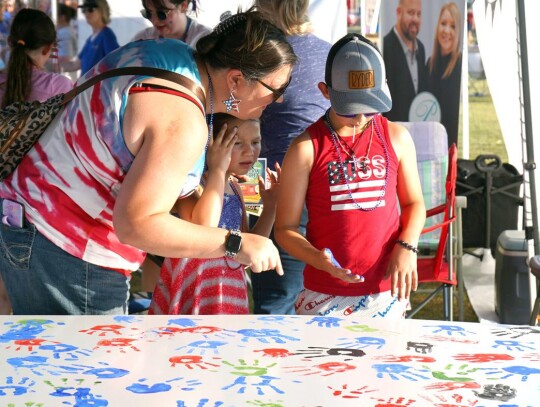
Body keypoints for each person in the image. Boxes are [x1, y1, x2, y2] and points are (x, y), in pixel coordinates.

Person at [0, 8, 296, 315]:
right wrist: (236, 243)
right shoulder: (182, 118)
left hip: (27, 219)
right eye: (277, 90)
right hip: (69, 249)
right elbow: (136, 224)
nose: (279, 100)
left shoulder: (170, 53)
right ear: (236, 79)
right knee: (97, 362)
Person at [274, 33, 426, 318]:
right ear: (325, 91)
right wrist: (316, 259)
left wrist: (408, 245)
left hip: (384, 291)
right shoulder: (305, 148)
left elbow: (414, 204)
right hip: (324, 295)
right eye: (350, 110)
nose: (359, 118)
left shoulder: (396, 137)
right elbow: (285, 229)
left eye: (369, 108)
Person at [150, 113, 280, 315]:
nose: (249, 151)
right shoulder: (192, 185)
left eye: (256, 142)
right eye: (236, 143)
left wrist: (270, 208)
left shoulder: (236, 188)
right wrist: (218, 170)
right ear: (213, 145)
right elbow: (204, 228)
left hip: (226, 290)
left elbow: (246, 251)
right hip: (195, 287)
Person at [251, 0, 331, 315]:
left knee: (276, 303)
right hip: (323, 186)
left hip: (271, 184)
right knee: (321, 298)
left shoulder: (263, 55)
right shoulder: (330, 54)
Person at [0, 8, 73, 314]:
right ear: (47, 49)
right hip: (42, 209)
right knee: (39, 306)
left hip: (4, 202)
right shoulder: (61, 88)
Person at [382, 0, 428, 122]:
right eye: (411, 13)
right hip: (393, 132)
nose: (415, 19)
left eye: (419, 14)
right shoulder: (384, 47)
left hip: (418, 129)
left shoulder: (421, 49)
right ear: (398, 12)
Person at [426, 2, 462, 147]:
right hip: (427, 138)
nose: (446, 30)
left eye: (453, 26)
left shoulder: (458, 63)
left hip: (447, 142)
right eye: (443, 23)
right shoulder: (430, 63)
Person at [61, 0, 119, 76]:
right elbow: (75, 65)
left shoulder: (107, 35)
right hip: (86, 86)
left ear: (102, 11)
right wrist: (49, 65)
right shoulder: (90, 39)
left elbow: (115, 63)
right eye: (84, 10)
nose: (86, 13)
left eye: (90, 9)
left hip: (97, 87)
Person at [132, 0, 211, 48]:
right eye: (148, 13)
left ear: (183, 5)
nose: (155, 20)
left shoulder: (206, 40)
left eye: (162, 14)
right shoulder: (142, 40)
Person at [56, 3, 78, 81]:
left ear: (62, 17)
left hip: (66, 77)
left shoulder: (65, 33)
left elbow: (67, 58)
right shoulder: (65, 31)